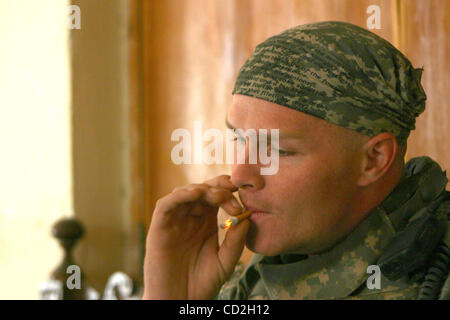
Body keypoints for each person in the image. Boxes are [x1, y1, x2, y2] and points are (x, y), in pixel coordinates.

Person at [142, 21, 450, 300]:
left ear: (373, 159)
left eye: (278, 150)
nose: (239, 176)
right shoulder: (247, 282)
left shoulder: (434, 281)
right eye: (240, 139)